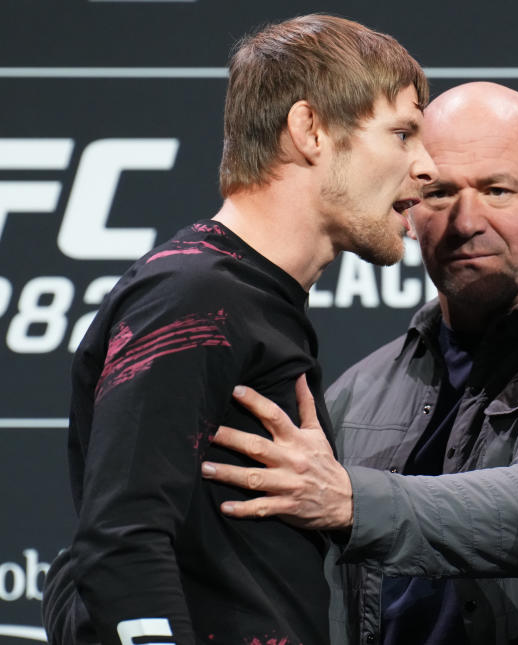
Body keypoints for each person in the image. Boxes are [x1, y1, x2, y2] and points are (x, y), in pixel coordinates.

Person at [199, 82, 518, 644]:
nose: (465, 222)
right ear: (407, 200)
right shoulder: (362, 386)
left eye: (498, 191)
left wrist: (348, 500)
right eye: (438, 193)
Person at [42, 14, 436, 645]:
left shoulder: (253, 299)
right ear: (309, 130)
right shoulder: (193, 297)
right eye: (402, 133)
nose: (428, 167)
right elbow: (122, 545)